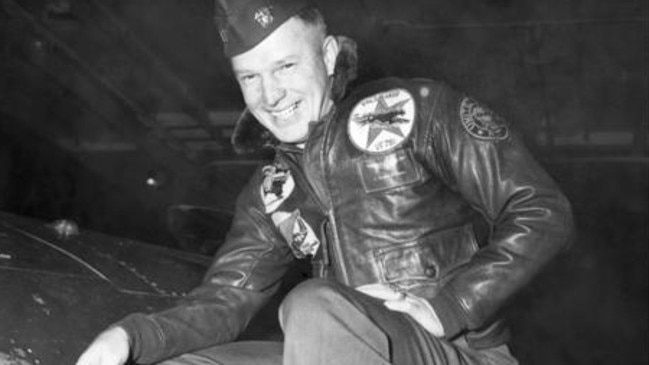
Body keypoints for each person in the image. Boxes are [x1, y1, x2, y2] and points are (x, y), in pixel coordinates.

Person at [76, 0, 574, 364]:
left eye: (286, 66)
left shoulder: (416, 109)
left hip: (456, 352)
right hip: (338, 348)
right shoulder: (268, 190)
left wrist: (451, 305)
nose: (269, 95)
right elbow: (224, 300)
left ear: (330, 55)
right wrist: (132, 337)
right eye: (249, 78)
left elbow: (541, 210)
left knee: (311, 307)